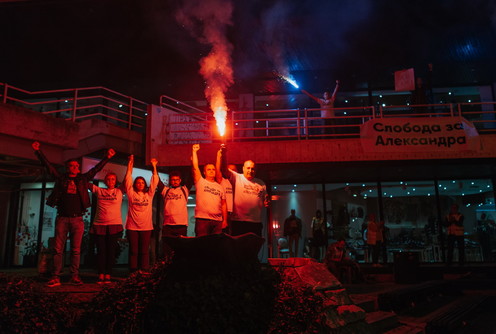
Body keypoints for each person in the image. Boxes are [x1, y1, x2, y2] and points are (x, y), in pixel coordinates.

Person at [32, 141, 115, 287]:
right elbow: (49, 167)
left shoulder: (82, 179)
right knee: (58, 250)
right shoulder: (61, 178)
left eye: (77, 166)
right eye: (73, 166)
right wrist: (38, 152)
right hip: (62, 218)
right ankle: (56, 276)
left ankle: (74, 276)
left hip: (78, 219)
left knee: (76, 250)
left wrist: (107, 157)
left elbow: (96, 169)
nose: (76, 168)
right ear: (68, 167)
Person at [219, 146, 269, 237]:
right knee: (238, 248)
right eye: (248, 168)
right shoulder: (237, 177)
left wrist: (266, 201)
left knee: (253, 248)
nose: (250, 170)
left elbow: (265, 198)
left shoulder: (261, 183)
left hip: (255, 222)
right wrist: (224, 154)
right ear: (243, 168)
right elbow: (224, 169)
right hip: (239, 221)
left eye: (253, 168)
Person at [124, 154, 159, 274]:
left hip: (146, 227)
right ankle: (133, 272)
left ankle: (144, 271)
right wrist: (130, 164)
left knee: (144, 251)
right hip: (132, 227)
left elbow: (155, 182)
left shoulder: (149, 195)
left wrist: (154, 166)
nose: (140, 184)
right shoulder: (131, 194)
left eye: (142, 183)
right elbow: (128, 178)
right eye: (138, 183)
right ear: (135, 185)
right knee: (134, 250)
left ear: (145, 185)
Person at [89, 172, 124, 284]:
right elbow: (85, 182)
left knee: (111, 251)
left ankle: (108, 273)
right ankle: (101, 273)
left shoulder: (119, 191)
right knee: (101, 251)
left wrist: (130, 163)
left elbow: (127, 179)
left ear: (116, 181)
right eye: (108, 179)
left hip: (114, 225)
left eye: (113, 179)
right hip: (99, 225)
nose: (110, 181)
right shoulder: (99, 191)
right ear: (105, 181)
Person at [192, 144, 227, 237]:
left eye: (213, 169)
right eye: (209, 169)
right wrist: (194, 152)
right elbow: (195, 167)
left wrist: (225, 220)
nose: (211, 171)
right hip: (202, 220)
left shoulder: (220, 187)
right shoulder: (200, 182)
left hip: (217, 222)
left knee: (216, 247)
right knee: (202, 246)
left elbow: (223, 204)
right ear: (204, 172)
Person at [158, 170, 193, 260]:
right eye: (173, 180)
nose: (175, 181)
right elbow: (157, 181)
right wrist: (154, 167)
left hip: (181, 225)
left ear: (180, 180)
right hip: (168, 225)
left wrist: (193, 164)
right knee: (167, 249)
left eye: (177, 180)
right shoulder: (166, 190)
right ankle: (166, 268)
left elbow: (191, 178)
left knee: (181, 248)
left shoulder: (184, 189)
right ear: (170, 181)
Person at [216, 147, 235, 234]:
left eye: (233, 170)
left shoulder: (234, 182)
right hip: (223, 213)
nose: (231, 172)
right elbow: (218, 169)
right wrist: (221, 155)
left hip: (233, 214)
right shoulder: (222, 180)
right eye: (229, 170)